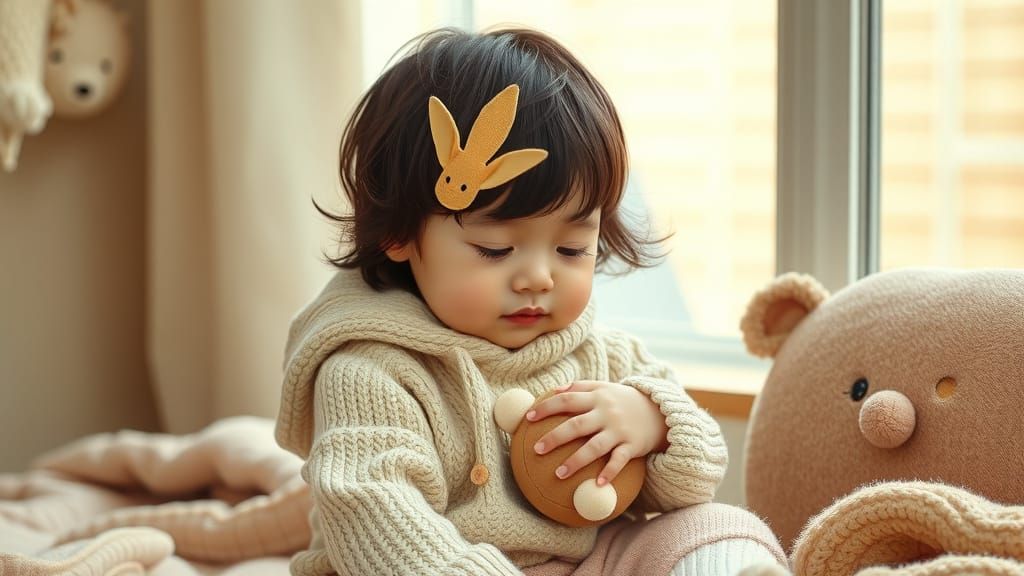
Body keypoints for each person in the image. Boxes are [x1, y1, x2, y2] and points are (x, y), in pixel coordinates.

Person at [274, 27, 785, 576]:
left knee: (713, 527)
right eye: (495, 249)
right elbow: (372, 513)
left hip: (592, 561)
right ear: (397, 235)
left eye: (571, 247)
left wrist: (655, 422)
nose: (538, 277)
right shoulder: (369, 373)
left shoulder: (604, 357)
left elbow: (693, 481)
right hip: (439, 566)